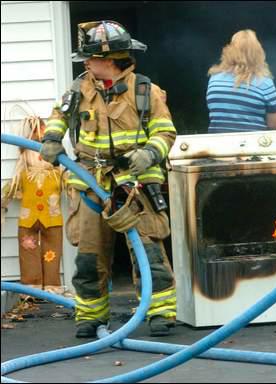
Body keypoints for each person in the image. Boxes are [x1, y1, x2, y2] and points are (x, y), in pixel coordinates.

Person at [39, 20, 178, 338]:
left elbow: (164, 131)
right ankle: (90, 317)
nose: (85, 63)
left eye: (91, 57)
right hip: (90, 180)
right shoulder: (79, 89)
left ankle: (160, 313)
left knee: (149, 252)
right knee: (89, 257)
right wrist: (51, 139)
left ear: (112, 59)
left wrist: (149, 155)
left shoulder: (145, 91)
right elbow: (59, 116)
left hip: (136, 182)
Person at [1, 117, 65, 295]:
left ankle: (52, 286)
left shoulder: (58, 173)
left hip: (52, 219)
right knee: (28, 253)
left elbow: (73, 186)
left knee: (52, 252)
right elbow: (8, 191)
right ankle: (31, 288)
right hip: (28, 220)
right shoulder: (21, 174)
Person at [206, 29, 276, 133]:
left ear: (230, 50)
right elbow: (274, 125)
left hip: (217, 146)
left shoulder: (214, 78)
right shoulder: (265, 83)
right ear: (258, 53)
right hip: (253, 146)